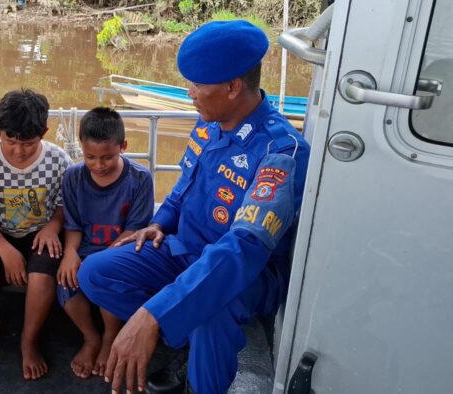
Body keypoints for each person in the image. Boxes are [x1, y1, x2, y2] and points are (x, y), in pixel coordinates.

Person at [77, 20, 311, 394]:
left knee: (210, 308)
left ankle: (197, 376)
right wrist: (158, 224)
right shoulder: (207, 126)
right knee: (95, 272)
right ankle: (180, 336)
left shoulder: (278, 152)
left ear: (233, 87)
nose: (190, 94)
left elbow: (244, 250)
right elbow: (180, 192)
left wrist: (153, 314)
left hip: (246, 273)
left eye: (198, 85)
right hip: (184, 249)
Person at [0, 88, 71, 380]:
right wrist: (4, 250)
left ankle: (29, 339)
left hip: (42, 233)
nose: (18, 150)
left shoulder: (58, 159)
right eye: (10, 140)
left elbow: (65, 206)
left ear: (44, 132)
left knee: (41, 280)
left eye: (28, 143)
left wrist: (52, 226)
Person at [57, 107, 154, 379]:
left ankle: (110, 335)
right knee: (66, 284)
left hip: (122, 250)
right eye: (90, 157)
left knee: (105, 277)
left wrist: (99, 261)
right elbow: (73, 225)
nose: (98, 165)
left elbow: (135, 229)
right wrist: (70, 254)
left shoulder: (140, 178)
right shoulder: (73, 177)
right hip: (85, 248)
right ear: (81, 150)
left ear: (123, 146)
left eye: (107, 157)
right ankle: (91, 338)